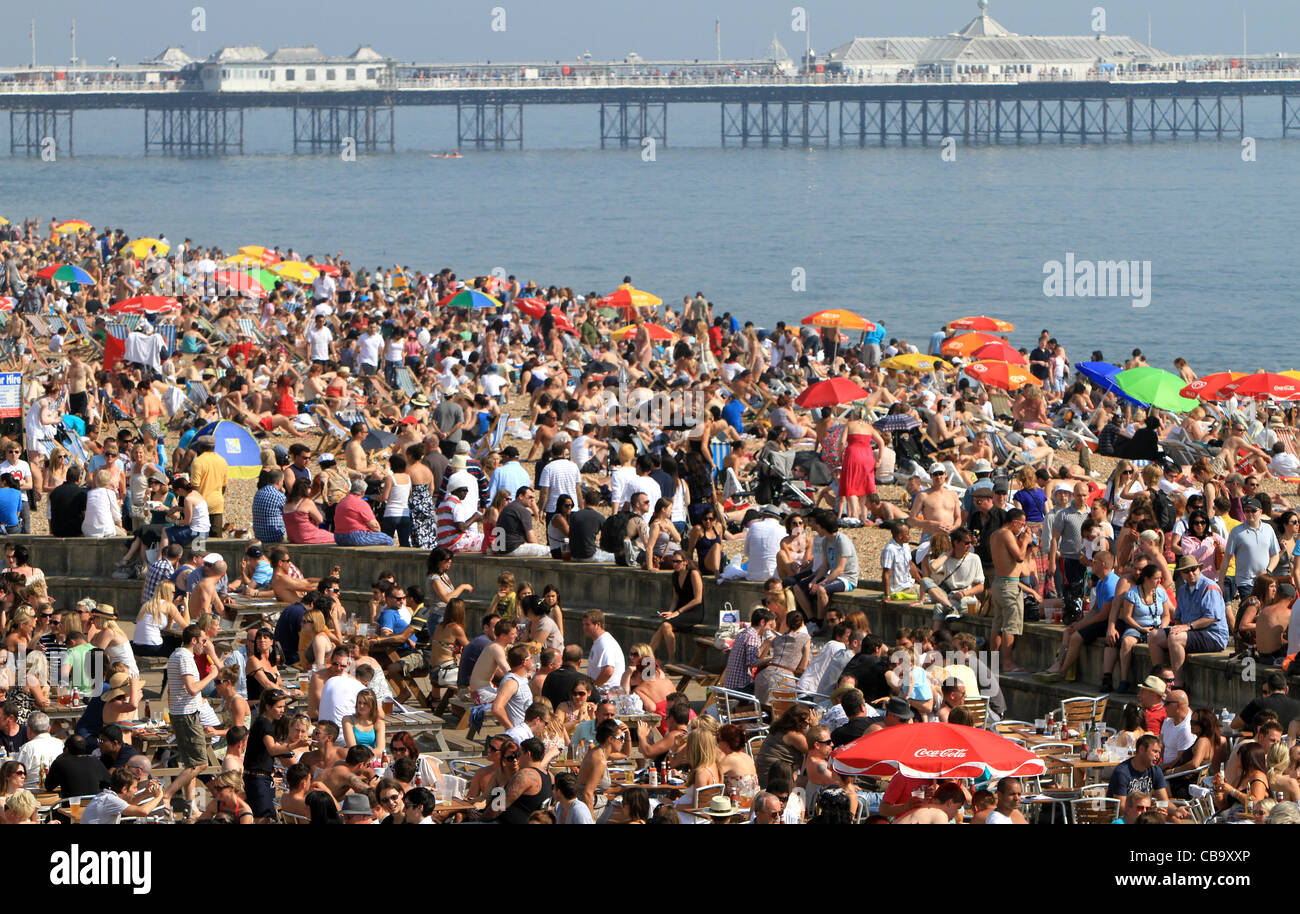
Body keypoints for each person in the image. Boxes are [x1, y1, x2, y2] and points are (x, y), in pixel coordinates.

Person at [1150, 554, 1229, 688]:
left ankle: (1178, 683)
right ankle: (1159, 680)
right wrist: (1180, 626)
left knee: (1175, 638)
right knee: (1153, 636)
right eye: (1187, 571)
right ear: (1181, 574)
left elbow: (1212, 617)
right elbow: (1178, 616)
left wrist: (1187, 627)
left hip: (1213, 635)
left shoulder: (1210, 587)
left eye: (1193, 569)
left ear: (1199, 569)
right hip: (1192, 632)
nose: (1191, 573)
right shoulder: (1182, 590)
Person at [81, 765, 195, 824]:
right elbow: (142, 812)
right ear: (125, 789)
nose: (136, 790)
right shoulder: (111, 800)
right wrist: (160, 796)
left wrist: (145, 793)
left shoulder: (108, 797)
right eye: (135, 787)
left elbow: (128, 804)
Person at [651, 553, 704, 660]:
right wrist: (670, 611)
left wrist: (677, 612)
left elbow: (698, 599)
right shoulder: (675, 575)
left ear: (685, 562)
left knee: (665, 625)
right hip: (680, 611)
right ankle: (648, 657)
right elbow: (676, 598)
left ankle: (665, 660)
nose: (674, 564)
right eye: (673, 561)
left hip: (694, 611)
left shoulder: (693, 574)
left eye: (677, 561)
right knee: (665, 626)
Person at [582, 610, 625, 689]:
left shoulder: (605, 643)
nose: (584, 627)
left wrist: (593, 689)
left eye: (587, 624)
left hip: (606, 693)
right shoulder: (599, 641)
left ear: (598, 625)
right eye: (584, 624)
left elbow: (608, 671)